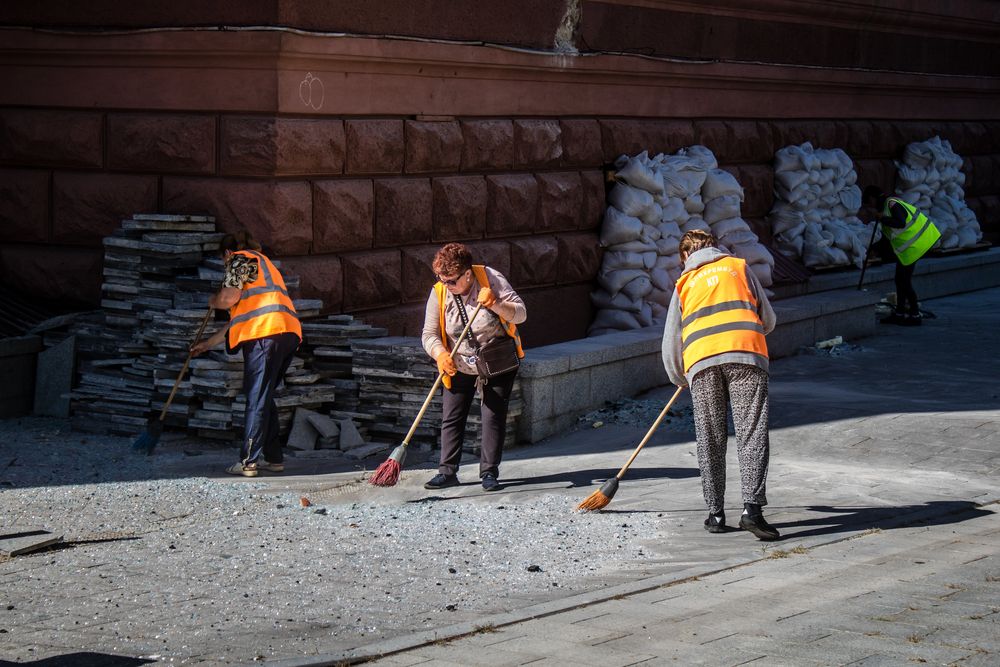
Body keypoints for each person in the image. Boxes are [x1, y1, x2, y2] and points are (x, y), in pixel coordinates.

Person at [661, 230, 779, 540]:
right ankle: (752, 510)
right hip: (744, 353)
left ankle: (715, 514)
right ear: (715, 247)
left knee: (709, 437)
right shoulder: (739, 267)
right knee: (751, 431)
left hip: (702, 362)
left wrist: (679, 375)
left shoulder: (684, 284)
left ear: (685, 257)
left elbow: (672, 338)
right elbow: (767, 319)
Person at [191, 230, 302, 477]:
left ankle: (248, 462)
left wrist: (213, 300)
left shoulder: (239, 259)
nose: (224, 265)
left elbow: (228, 298)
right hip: (287, 332)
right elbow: (242, 316)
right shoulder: (263, 264)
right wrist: (208, 343)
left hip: (265, 334)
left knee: (256, 396)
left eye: (223, 260)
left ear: (227, 253)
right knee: (264, 395)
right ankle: (273, 459)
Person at [421, 243, 526, 492]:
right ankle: (447, 472)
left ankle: (489, 472)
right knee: (452, 416)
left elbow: (521, 314)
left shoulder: (490, 279)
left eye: (451, 280)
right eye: (442, 279)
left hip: (495, 360)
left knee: (492, 416)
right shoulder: (439, 292)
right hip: (458, 362)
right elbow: (429, 334)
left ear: (468, 273)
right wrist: (439, 354)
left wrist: (496, 304)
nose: (446, 285)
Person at [862, 186, 941, 326]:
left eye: (870, 201)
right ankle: (899, 314)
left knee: (904, 281)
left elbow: (901, 222)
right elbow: (887, 237)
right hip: (908, 248)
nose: (871, 205)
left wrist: (884, 219)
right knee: (900, 280)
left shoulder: (892, 204)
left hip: (917, 243)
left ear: (873, 198)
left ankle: (915, 315)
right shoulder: (885, 210)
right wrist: (874, 249)